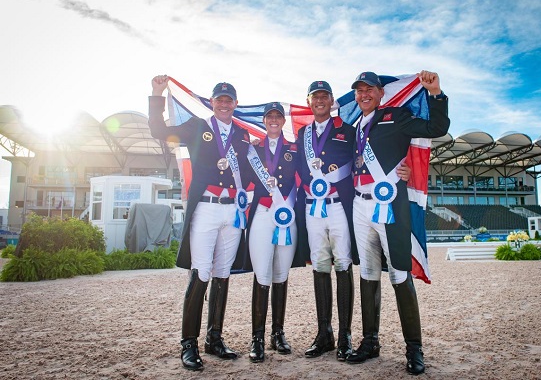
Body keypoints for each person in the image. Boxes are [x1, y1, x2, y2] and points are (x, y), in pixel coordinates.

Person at [296, 81, 411, 362]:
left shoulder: (348, 131)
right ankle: (325, 333)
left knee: (343, 264)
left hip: (340, 207)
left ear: (332, 101)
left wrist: (402, 167)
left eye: (325, 96)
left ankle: (345, 336)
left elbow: (366, 159)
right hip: (313, 209)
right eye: (315, 97)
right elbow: (297, 168)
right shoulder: (301, 134)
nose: (320, 101)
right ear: (309, 101)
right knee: (320, 266)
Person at [346, 70, 450, 375]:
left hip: (390, 204)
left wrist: (436, 94)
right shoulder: (354, 128)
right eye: (359, 91)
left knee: (399, 273)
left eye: (370, 90)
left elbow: (436, 127)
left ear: (381, 93)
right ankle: (370, 342)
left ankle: (414, 348)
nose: (364, 95)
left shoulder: (397, 116)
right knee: (367, 273)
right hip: (359, 205)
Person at [148, 75, 251, 371]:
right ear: (212, 103)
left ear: (235, 104)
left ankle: (214, 339)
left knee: (222, 273)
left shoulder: (243, 136)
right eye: (219, 99)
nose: (223, 103)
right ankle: (188, 343)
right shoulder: (198, 127)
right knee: (201, 271)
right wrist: (156, 95)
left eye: (228, 99)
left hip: (232, 211)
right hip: (206, 208)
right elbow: (159, 131)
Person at [245, 102, 300, 363]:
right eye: (270, 117)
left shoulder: (294, 149)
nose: (274, 120)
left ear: (283, 121)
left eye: (278, 116)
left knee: (281, 274)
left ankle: (278, 333)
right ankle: (257, 337)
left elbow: (309, 177)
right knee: (262, 273)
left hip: (287, 215)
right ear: (264, 121)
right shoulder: (253, 149)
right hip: (263, 214)